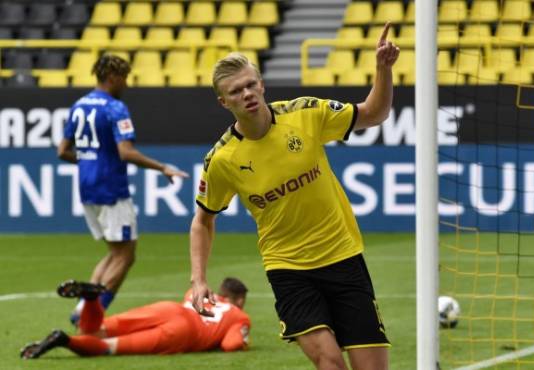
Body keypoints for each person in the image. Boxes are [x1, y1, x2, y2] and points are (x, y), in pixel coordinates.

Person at [189, 23, 399, 370]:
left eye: (250, 84)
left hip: (343, 256)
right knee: (329, 362)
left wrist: (383, 70)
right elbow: (202, 221)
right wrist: (198, 280)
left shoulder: (305, 113)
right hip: (289, 269)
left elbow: (374, 113)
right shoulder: (222, 160)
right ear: (223, 101)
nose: (246, 94)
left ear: (262, 84)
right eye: (236, 91)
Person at [57, 54, 188, 325]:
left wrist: (89, 162)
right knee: (126, 255)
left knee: (115, 252)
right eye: (125, 78)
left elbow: (62, 151)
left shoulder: (79, 105)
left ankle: (83, 307)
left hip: (87, 186)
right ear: (113, 77)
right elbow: (126, 153)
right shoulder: (115, 108)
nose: (126, 85)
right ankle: (92, 316)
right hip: (111, 187)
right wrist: (162, 167)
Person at [20, 277, 250, 359]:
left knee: (93, 330)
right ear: (238, 300)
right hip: (184, 331)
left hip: (168, 309)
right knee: (106, 346)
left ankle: (91, 299)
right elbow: (232, 345)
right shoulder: (239, 315)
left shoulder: (199, 293)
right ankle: (64, 340)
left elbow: (190, 299)